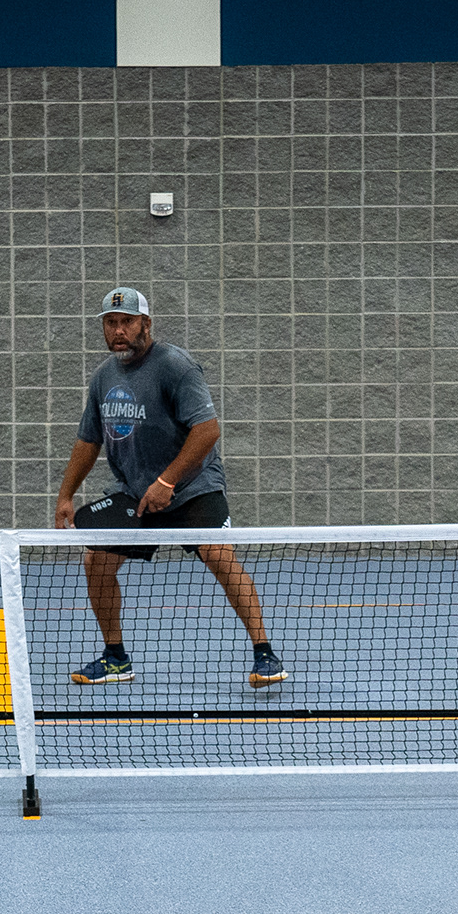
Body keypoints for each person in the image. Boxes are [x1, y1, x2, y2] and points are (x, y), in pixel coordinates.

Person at [52, 287, 287, 688]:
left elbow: (207, 431)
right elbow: (88, 440)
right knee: (97, 562)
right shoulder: (104, 377)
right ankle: (116, 658)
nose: (119, 330)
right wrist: (66, 495)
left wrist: (167, 481)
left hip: (193, 488)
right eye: (111, 322)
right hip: (135, 492)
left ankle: (265, 654)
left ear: (146, 323)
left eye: (127, 322)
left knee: (219, 557)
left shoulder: (176, 366)